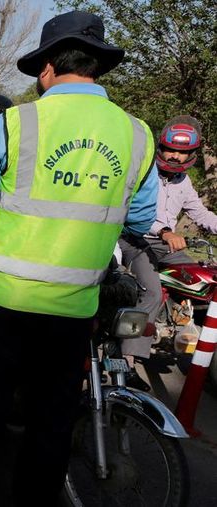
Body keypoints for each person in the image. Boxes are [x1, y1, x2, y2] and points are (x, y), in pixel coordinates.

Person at [0, 11, 158, 505]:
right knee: (50, 427)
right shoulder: (137, 135)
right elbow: (141, 220)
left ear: (46, 67)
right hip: (72, 312)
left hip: (1, 304)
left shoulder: (16, 122)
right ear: (97, 68)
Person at [118, 115, 217, 384]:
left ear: (192, 155)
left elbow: (200, 212)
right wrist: (164, 231)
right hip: (136, 241)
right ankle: (128, 362)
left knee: (205, 282)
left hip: (167, 246)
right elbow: (131, 212)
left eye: (183, 152)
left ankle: (195, 340)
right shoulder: (142, 172)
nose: (175, 157)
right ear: (160, 148)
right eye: (171, 149)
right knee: (151, 293)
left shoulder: (183, 181)